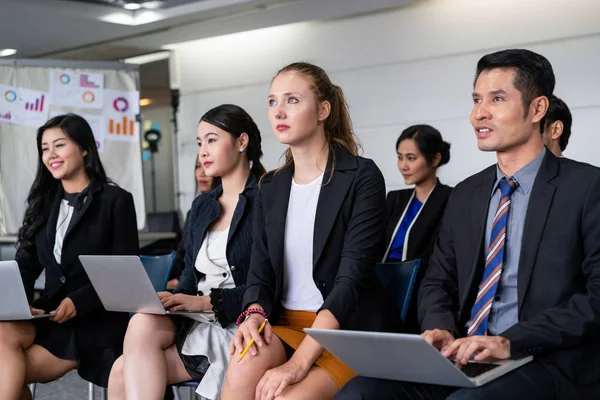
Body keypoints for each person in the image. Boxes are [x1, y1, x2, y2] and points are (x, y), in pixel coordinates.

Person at [336, 49, 600, 400]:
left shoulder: (586, 188)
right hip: (465, 354)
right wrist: (441, 327)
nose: (479, 113)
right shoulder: (466, 194)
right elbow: (437, 280)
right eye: (477, 99)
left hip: (543, 359)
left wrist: (511, 341)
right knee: (361, 391)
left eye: (497, 98)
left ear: (537, 109)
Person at [221, 62, 399, 400]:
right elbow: (260, 272)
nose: (279, 112)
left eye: (292, 100)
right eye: (273, 102)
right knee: (244, 366)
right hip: (285, 324)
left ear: (323, 110)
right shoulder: (268, 187)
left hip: (343, 332)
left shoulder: (362, 177)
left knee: (283, 397)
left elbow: (351, 279)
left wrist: (298, 364)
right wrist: (253, 313)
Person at [108, 104, 266, 400]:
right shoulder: (202, 206)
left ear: (242, 142)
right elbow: (190, 275)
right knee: (139, 324)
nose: (202, 151)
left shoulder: (267, 200)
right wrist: (175, 299)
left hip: (240, 322)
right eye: (199, 143)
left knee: (121, 371)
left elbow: (267, 283)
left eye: (211, 140)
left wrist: (198, 302)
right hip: (197, 319)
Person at [0, 113, 138, 400]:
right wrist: (20, 305)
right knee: (4, 334)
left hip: (96, 323)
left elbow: (124, 274)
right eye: (44, 148)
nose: (51, 155)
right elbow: (24, 267)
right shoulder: (43, 204)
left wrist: (80, 300)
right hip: (52, 320)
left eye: (59, 145)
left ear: (84, 148)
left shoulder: (116, 201)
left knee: (5, 371)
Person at [383, 124, 452, 332]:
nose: (403, 165)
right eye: (400, 157)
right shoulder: (395, 199)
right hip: (384, 286)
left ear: (435, 159)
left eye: (411, 158)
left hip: (421, 290)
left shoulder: (450, 199)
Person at [168, 157, 221, 288]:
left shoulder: (230, 208)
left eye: (207, 165)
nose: (201, 173)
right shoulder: (194, 211)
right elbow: (183, 254)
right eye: (198, 166)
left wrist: (179, 281)